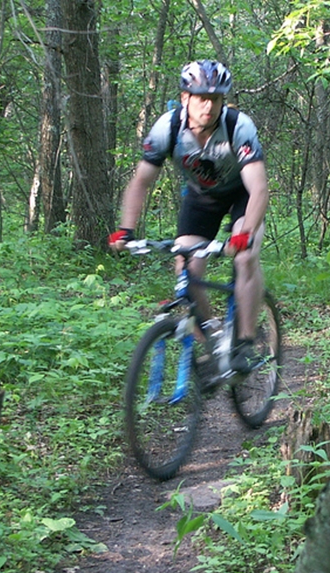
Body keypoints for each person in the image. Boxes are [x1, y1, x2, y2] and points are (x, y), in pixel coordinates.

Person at [109, 60, 269, 374]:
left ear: (224, 100)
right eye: (200, 98)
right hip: (201, 199)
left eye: (215, 99)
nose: (208, 106)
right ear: (185, 98)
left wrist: (244, 233)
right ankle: (212, 334)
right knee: (185, 265)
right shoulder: (167, 128)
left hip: (242, 196)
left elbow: (260, 188)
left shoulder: (239, 126)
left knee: (245, 256)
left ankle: (246, 343)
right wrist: (125, 229)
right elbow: (141, 181)